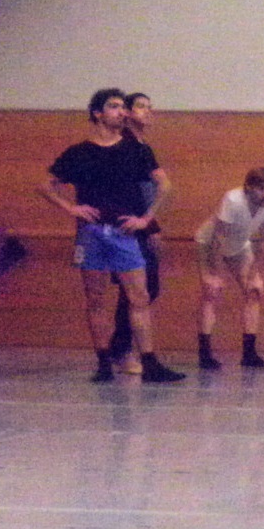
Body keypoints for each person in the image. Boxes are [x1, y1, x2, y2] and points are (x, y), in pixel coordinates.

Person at [42, 88, 183, 383]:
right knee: (96, 298)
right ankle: (104, 363)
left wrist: (146, 218)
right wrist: (71, 208)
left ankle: (149, 361)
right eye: (114, 106)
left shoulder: (136, 150)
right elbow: (45, 185)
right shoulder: (79, 152)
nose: (122, 112)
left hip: (124, 232)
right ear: (98, 113)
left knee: (139, 296)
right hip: (92, 233)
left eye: (123, 107)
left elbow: (165, 185)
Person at [194, 166, 264, 369]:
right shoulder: (233, 200)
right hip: (208, 243)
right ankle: (205, 354)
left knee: (255, 290)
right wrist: (214, 275)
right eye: (261, 189)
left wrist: (253, 274)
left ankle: (249, 353)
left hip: (238, 246)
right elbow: (218, 239)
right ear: (248, 187)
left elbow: (262, 241)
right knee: (211, 292)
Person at [106, 91, 163, 373]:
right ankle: (121, 350)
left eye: (150, 107)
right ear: (127, 113)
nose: (147, 111)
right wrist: (145, 224)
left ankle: (120, 347)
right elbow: (130, 192)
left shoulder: (142, 147)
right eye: (141, 106)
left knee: (144, 288)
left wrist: (152, 225)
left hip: (141, 225)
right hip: (127, 227)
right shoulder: (125, 146)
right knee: (137, 289)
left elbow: (148, 192)